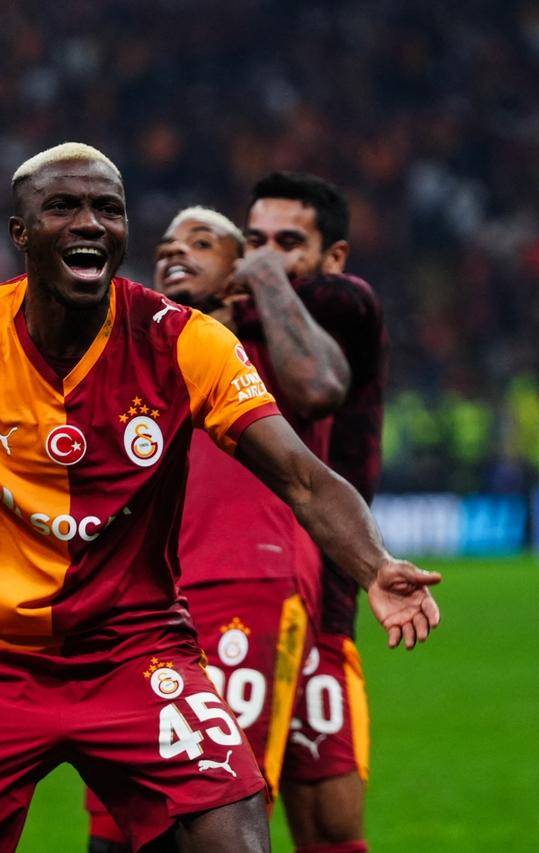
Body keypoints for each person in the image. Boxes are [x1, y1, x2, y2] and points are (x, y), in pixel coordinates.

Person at [0, 143, 439, 853]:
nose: (90, 222)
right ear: (20, 232)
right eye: (63, 206)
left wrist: (375, 565)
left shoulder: (187, 342)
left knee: (234, 826)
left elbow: (303, 475)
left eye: (107, 209)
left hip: (136, 653)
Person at [83, 205, 332, 851]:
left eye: (201, 243)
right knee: (116, 818)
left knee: (218, 805)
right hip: (140, 604)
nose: (175, 252)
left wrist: (266, 279)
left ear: (237, 271)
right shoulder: (133, 355)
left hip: (245, 579)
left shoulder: (266, 345)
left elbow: (321, 388)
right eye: (166, 245)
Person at [243, 171, 389, 853]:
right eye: (254, 241)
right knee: (222, 818)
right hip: (236, 597)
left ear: (334, 257)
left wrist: (251, 278)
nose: (265, 257)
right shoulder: (213, 327)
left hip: (324, 603)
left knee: (332, 829)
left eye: (287, 243)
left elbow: (317, 382)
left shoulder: (345, 309)